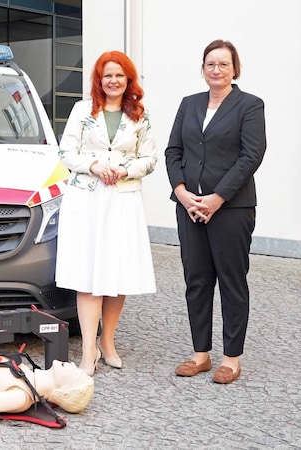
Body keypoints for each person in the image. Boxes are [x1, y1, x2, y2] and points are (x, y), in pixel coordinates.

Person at [165, 39, 266, 384]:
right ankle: (200, 354)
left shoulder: (250, 106)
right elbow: (173, 152)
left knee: (231, 281)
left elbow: (250, 157)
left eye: (223, 64)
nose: (216, 70)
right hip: (189, 207)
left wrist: (216, 198)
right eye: (210, 64)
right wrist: (182, 193)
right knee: (196, 280)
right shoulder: (189, 104)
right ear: (202, 68)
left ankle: (231, 358)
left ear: (234, 69)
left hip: (231, 209)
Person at [55, 51, 157, 376]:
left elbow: (150, 158)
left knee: (118, 271)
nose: (113, 81)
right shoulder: (81, 110)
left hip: (123, 200)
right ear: (98, 79)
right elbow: (65, 151)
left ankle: (107, 341)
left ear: (129, 80)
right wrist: (95, 165)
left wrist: (124, 170)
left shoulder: (140, 115)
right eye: (107, 75)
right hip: (86, 199)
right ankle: (87, 351)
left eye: (119, 75)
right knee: (87, 274)